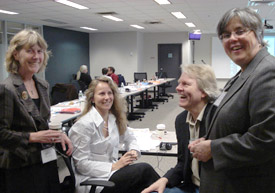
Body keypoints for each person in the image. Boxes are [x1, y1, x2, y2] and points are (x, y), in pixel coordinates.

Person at [189, 8, 275, 193]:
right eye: (225, 35)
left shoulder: (267, 72)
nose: (232, 39)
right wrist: (209, 139)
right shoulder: (242, 73)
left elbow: (267, 138)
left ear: (258, 34)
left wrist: (214, 149)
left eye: (240, 31)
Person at [0, 29, 73, 193]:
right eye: (29, 51)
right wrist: (32, 137)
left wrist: (58, 135)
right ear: (16, 55)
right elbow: (1, 134)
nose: (36, 56)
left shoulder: (43, 85)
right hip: (20, 166)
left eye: (39, 51)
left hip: (45, 160)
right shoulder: (7, 88)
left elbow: (41, 124)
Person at [68, 76, 159, 193]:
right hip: (94, 181)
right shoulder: (83, 126)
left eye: (109, 93)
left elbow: (130, 138)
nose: (107, 97)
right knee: (145, 170)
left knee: (145, 186)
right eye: (101, 94)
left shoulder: (113, 119)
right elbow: (81, 165)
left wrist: (133, 150)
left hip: (113, 174)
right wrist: (114, 166)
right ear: (92, 99)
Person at [142, 64, 218, 193]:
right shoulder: (181, 120)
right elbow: (183, 163)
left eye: (185, 84)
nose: (178, 88)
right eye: (179, 83)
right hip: (191, 186)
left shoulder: (218, 119)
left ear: (204, 91)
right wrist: (165, 179)